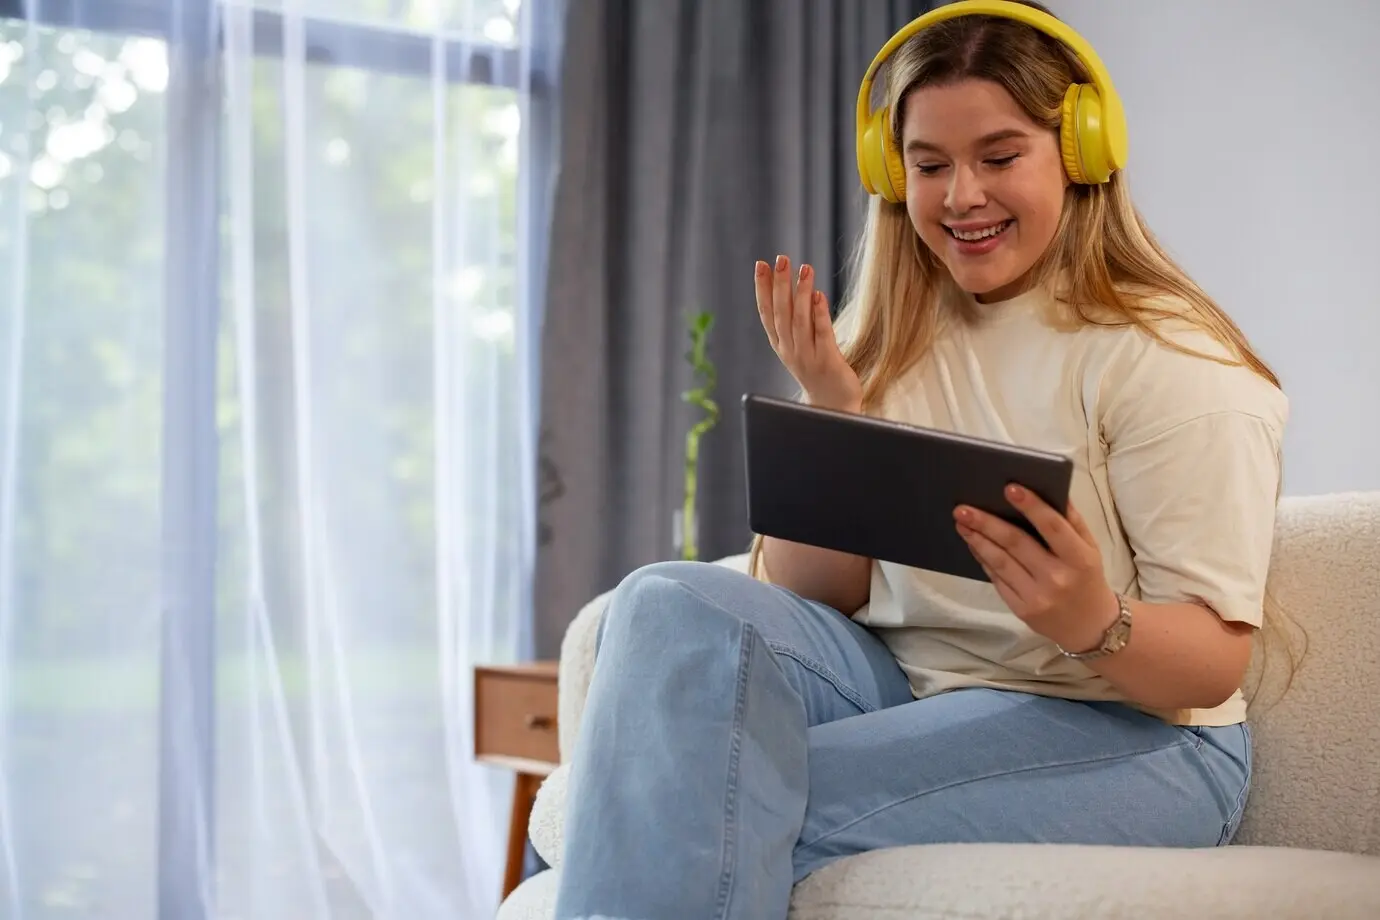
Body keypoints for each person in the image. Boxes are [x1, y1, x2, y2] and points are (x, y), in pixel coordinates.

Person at [553, 2, 1287, 918]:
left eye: (1000, 156)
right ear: (891, 174)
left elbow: (1212, 667)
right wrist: (836, 413)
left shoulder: (1170, 359)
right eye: (930, 165)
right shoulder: (890, 334)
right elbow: (822, 598)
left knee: (680, 797)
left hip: (1134, 733)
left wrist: (1092, 616)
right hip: (902, 688)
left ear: (1083, 150)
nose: (960, 196)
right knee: (667, 599)